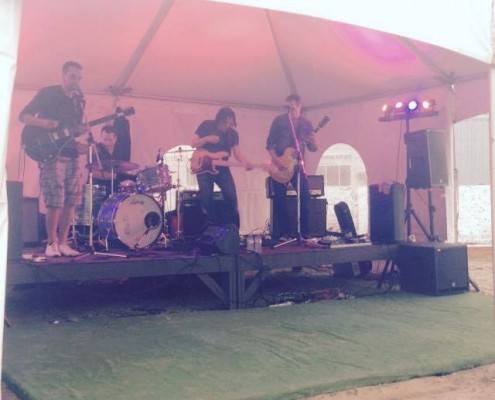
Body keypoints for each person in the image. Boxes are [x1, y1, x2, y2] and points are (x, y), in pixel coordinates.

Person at [19, 61, 89, 257]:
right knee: (55, 199)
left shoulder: (79, 102)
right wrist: (44, 123)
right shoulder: (48, 93)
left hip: (71, 153)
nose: (76, 81)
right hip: (51, 153)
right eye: (73, 76)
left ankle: (64, 242)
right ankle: (51, 243)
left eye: (79, 77)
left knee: (72, 199)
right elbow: (23, 116)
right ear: (64, 76)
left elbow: (70, 130)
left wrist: (80, 130)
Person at [266, 94, 318, 240]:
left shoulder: (306, 124)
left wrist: (315, 142)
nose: (289, 111)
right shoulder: (279, 121)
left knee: (305, 196)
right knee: (280, 199)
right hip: (279, 166)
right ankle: (284, 232)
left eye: (292, 108)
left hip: (297, 167)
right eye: (287, 108)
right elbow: (269, 144)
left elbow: (313, 148)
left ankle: (304, 232)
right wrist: (276, 160)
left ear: (299, 106)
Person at [191, 107, 253, 228]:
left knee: (231, 197)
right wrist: (207, 139)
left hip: (222, 168)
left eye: (230, 123)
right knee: (206, 197)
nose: (227, 126)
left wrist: (246, 162)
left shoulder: (232, 134)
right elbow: (193, 143)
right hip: (204, 167)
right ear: (219, 119)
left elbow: (237, 152)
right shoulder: (207, 125)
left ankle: (232, 229)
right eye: (225, 122)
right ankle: (211, 226)